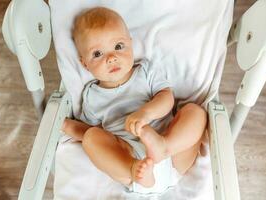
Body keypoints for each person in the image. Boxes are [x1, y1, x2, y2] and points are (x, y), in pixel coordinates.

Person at [62, 7, 207, 188]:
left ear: (131, 44)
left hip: (173, 152)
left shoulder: (145, 71)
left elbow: (167, 98)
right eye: (97, 54)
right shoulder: (92, 96)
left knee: (194, 112)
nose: (112, 58)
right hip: (131, 160)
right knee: (91, 138)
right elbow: (87, 132)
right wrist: (66, 125)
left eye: (118, 46)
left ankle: (163, 146)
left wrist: (145, 114)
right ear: (84, 63)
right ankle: (131, 169)